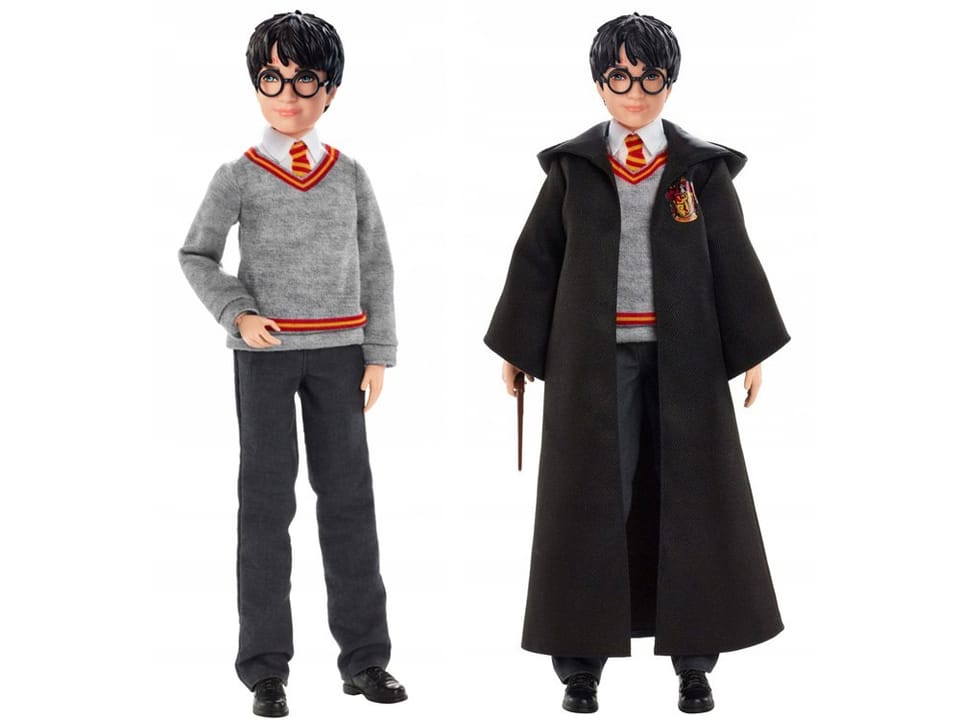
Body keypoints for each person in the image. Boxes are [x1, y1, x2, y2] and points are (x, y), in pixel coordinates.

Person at [484, 13, 789, 715]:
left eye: (650, 77)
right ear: (600, 83)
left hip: (688, 357)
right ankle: (580, 665)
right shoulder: (575, 169)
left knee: (693, 499)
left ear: (669, 82)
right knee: (590, 499)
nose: (636, 92)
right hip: (590, 361)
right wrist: (518, 350)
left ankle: (695, 664)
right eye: (620, 77)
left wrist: (748, 351)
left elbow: (732, 258)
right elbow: (538, 260)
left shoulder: (698, 170)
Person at [178, 11, 406, 716]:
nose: (287, 94)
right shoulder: (237, 176)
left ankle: (365, 659)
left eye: (305, 79)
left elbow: (376, 263)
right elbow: (196, 254)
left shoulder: (350, 175)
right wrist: (237, 312)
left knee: (349, 502)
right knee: (266, 506)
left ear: (330, 89)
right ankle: (265, 667)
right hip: (266, 357)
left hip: (341, 356)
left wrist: (378, 351)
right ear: (255, 84)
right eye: (271, 77)